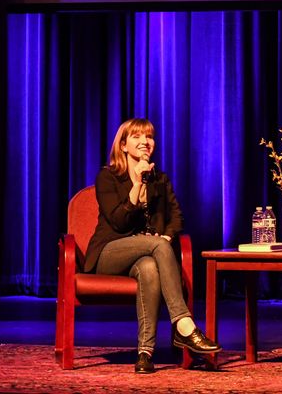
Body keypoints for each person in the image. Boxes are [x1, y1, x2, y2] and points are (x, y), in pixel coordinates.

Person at [85, 118, 220, 373]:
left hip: (146, 254)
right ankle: (184, 324)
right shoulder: (108, 177)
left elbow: (177, 217)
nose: (145, 142)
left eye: (149, 137)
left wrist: (167, 238)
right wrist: (136, 184)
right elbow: (119, 222)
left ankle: (145, 353)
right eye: (136, 137)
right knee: (157, 247)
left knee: (149, 267)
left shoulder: (160, 180)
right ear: (123, 145)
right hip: (110, 251)